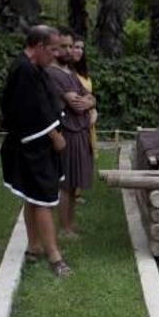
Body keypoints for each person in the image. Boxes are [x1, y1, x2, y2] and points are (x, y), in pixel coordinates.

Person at [0, 25, 71, 277]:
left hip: (35, 146)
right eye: (52, 49)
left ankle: (34, 246)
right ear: (39, 46)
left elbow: (45, 103)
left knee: (33, 196)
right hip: (33, 146)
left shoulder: (33, 68)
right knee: (43, 199)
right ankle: (55, 257)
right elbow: (30, 111)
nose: (55, 55)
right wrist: (54, 135)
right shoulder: (24, 71)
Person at [46, 27, 96, 238]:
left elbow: (90, 98)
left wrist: (88, 101)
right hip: (67, 132)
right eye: (64, 47)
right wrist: (86, 102)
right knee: (66, 184)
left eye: (70, 46)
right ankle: (64, 227)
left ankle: (71, 224)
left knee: (75, 181)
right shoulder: (52, 73)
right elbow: (77, 104)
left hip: (80, 132)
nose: (68, 51)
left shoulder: (71, 74)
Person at [70, 33, 98, 204]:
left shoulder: (84, 73)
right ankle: (68, 192)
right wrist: (89, 104)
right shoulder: (67, 72)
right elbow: (79, 101)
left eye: (81, 48)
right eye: (75, 47)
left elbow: (92, 98)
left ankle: (77, 192)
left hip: (88, 121)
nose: (79, 51)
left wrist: (94, 109)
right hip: (75, 120)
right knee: (74, 155)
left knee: (85, 155)